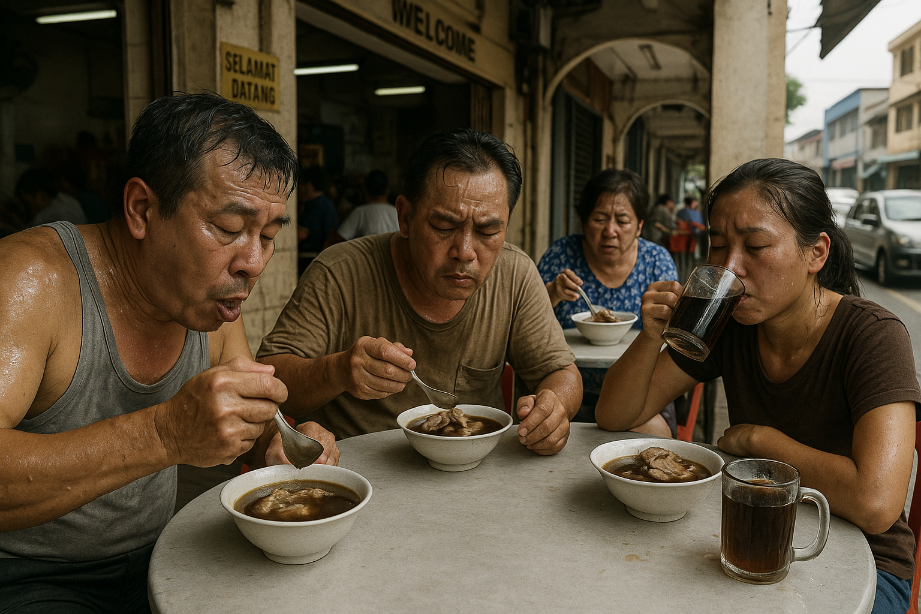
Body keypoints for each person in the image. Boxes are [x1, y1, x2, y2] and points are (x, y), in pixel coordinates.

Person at [0, 93, 339, 613]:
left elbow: (254, 430)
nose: (252, 262)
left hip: (166, 551)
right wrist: (165, 434)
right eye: (228, 229)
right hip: (29, 578)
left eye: (267, 236)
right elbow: (174, 431)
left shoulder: (210, 302)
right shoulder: (33, 279)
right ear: (143, 209)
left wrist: (285, 442)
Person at [595, 158, 920, 614]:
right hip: (753, 535)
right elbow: (615, 415)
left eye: (756, 246)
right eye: (719, 245)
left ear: (816, 253)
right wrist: (650, 338)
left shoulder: (873, 336)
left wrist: (761, 442)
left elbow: (875, 503)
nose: (730, 267)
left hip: (865, 562)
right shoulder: (730, 323)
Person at [258, 128, 582, 455]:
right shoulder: (340, 272)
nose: (465, 251)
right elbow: (273, 378)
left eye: (487, 231)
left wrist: (555, 406)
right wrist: (337, 370)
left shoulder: (515, 274)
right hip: (359, 480)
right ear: (405, 217)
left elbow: (561, 371)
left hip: (476, 481)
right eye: (444, 227)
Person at [537, 168, 678, 435]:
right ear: (583, 221)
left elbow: (672, 337)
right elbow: (526, 323)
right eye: (599, 218)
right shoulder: (562, 254)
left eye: (622, 221)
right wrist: (552, 293)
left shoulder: (656, 262)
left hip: (639, 397)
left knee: (654, 430)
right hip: (566, 391)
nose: (610, 231)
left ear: (639, 226)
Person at [325, 169, 399, 246]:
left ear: (365, 191)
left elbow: (337, 242)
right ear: (387, 191)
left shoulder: (359, 212)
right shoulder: (397, 212)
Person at [16, 168, 87, 227]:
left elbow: (25, 234)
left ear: (41, 196)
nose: (28, 210)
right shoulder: (70, 201)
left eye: (27, 204)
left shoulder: (47, 214)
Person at [295, 165, 338, 253]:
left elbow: (302, 234)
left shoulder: (317, 205)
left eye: (301, 183)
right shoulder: (324, 203)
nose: (298, 188)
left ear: (309, 185)